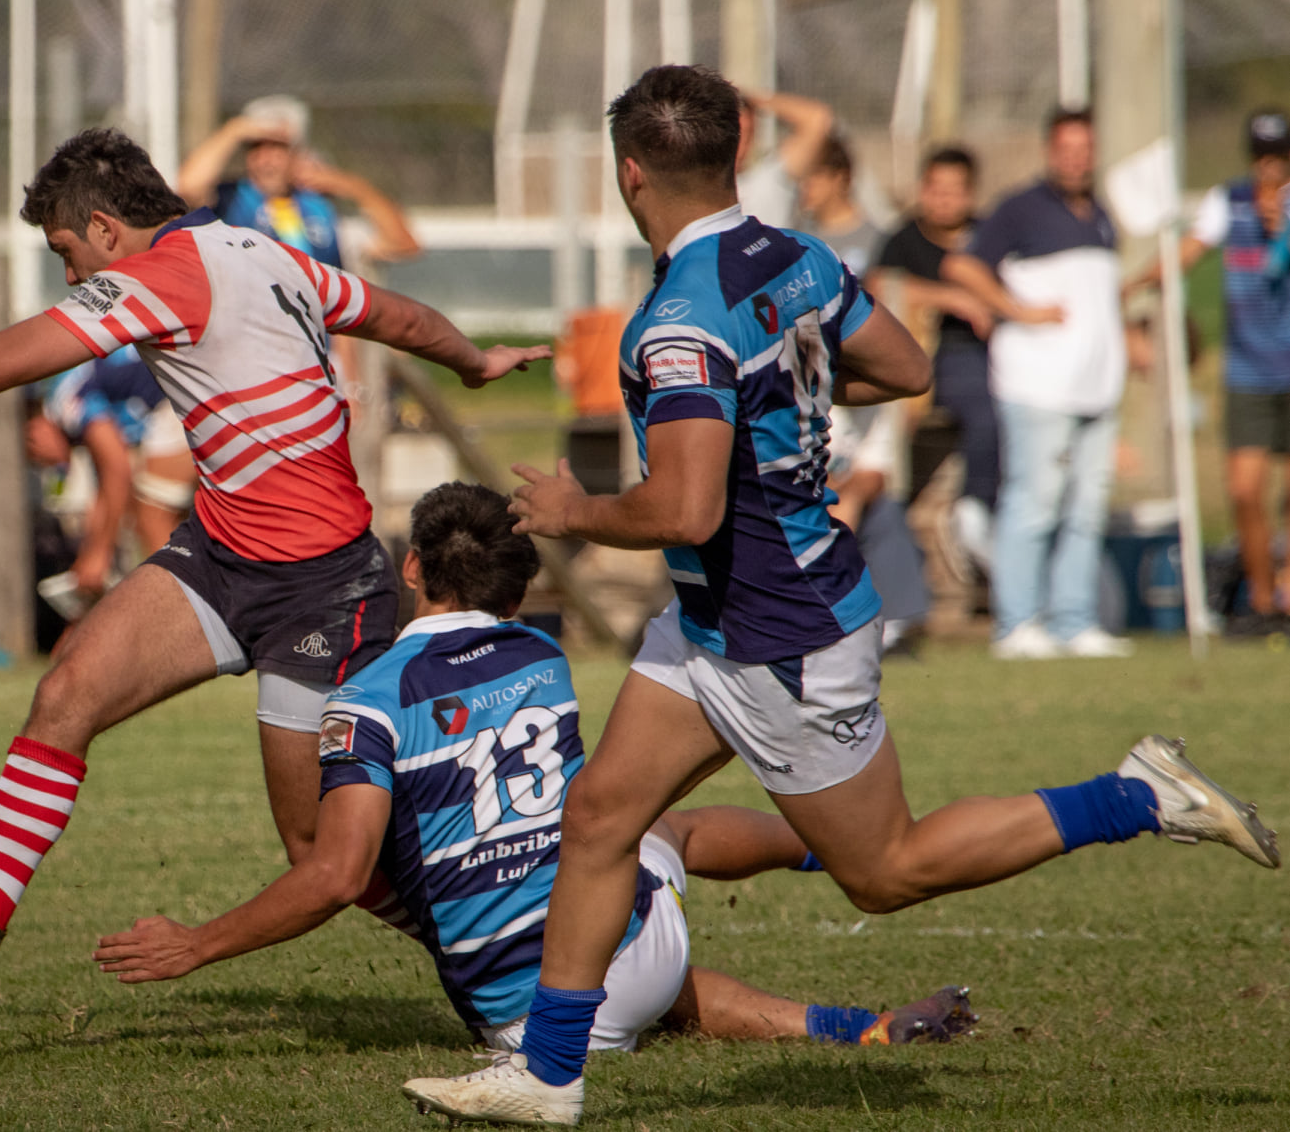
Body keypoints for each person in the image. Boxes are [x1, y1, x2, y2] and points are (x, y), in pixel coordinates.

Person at [404, 65, 1279, 1128]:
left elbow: (683, 509)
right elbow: (905, 365)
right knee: (596, 815)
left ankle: (1138, 795)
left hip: (783, 634)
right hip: (718, 618)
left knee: (888, 870)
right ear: (729, 157)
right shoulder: (797, 254)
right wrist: (775, 397)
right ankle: (547, 1075)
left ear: (629, 173)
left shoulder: (678, 321)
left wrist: (578, 511)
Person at [0, 128, 547, 1005]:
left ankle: (526, 958)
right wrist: (473, 360)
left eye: (64, 252)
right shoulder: (265, 252)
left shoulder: (158, 276)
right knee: (65, 696)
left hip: (323, 588)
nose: (69, 277)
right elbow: (392, 315)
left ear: (102, 227)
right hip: (219, 552)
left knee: (320, 856)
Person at [93, 482, 976, 1061]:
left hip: (529, 1021)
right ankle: (833, 913)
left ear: (411, 569)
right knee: (659, 835)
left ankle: (836, 920)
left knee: (604, 877)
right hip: (630, 959)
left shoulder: (365, 697)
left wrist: (195, 943)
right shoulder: (541, 654)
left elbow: (334, 872)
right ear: (515, 598)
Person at [942, 109, 1133, 660]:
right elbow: (964, 266)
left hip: (1096, 384)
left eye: (1085, 148)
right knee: (1035, 502)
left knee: (1086, 506)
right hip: (1039, 384)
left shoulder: (1100, 215)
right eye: (1066, 148)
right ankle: (1018, 621)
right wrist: (1015, 310)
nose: (1075, 159)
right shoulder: (1020, 209)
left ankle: (1074, 620)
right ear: (1050, 151)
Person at [1128, 110, 1290, 637]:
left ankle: (1286, 591)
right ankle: (1262, 603)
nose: (1270, 168)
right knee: (1245, 491)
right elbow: (1186, 254)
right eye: (1262, 156)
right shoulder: (1229, 201)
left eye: (1280, 157)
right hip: (1248, 370)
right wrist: (1133, 287)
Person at [176, 95, 420, 398]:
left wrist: (351, 186)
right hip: (247, 364)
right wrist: (236, 130)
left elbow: (404, 244)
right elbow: (187, 186)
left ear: (299, 154)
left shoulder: (321, 209)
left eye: (276, 148)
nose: (264, 159)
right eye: (255, 148)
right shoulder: (230, 199)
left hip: (318, 366)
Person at [868, 147, 999, 577]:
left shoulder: (990, 236)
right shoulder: (902, 240)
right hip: (929, 360)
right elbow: (879, 285)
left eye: (953, 190)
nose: (943, 199)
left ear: (970, 194)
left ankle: (977, 512)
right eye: (934, 189)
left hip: (993, 355)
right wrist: (951, 298)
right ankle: (968, 514)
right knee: (980, 401)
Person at [27, 346, 196, 601]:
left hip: (183, 393)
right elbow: (105, 494)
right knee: (174, 527)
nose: (48, 463)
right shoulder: (73, 412)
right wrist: (89, 554)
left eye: (36, 456)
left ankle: (178, 615)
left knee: (152, 513)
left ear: (32, 432)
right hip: (183, 392)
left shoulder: (65, 401)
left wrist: (98, 555)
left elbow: (117, 467)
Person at [827, 402, 928, 653]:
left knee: (887, 512)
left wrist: (851, 499)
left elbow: (876, 473)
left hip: (846, 501)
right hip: (798, 502)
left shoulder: (877, 404)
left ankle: (893, 629)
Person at [734, 90, 836, 229]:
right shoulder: (702, 182)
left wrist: (749, 96)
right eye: (737, 132)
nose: (743, 140)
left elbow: (816, 118)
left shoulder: (769, 177)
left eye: (750, 131)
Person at [796, 135, 881, 276]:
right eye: (801, 176)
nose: (804, 185)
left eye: (814, 175)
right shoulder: (797, 238)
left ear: (840, 178)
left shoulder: (877, 240)